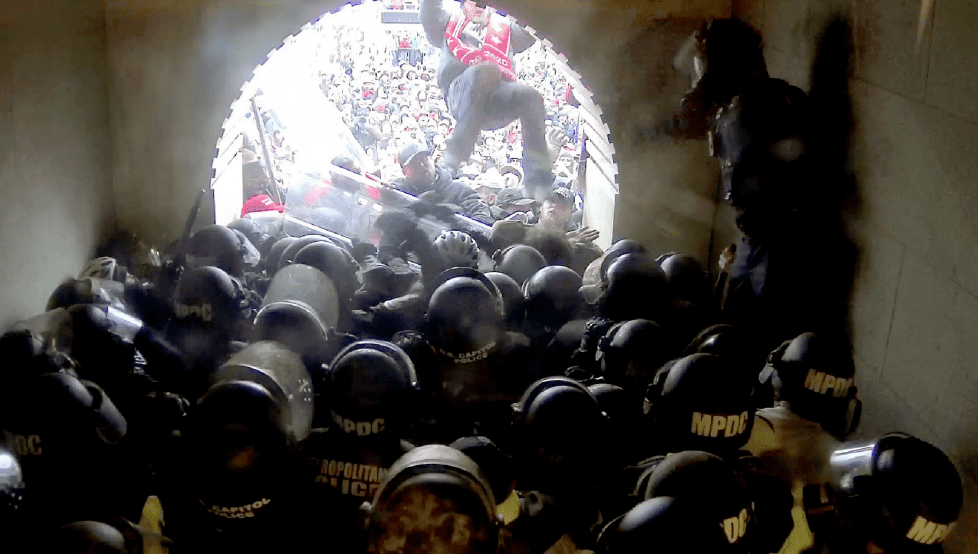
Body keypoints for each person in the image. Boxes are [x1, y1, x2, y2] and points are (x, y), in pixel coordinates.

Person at [420, 0, 555, 199]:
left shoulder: (506, 29)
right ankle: (454, 157)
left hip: (497, 98)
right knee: (486, 70)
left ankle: (537, 180)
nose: (479, 6)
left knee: (532, 97)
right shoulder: (447, 22)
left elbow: (533, 24)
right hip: (461, 92)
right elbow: (428, 14)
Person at [392, 143, 493, 224]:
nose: (422, 165)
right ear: (405, 172)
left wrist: (456, 221)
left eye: (424, 159)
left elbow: (484, 218)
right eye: (415, 164)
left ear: (432, 160)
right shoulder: (400, 192)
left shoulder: (460, 190)